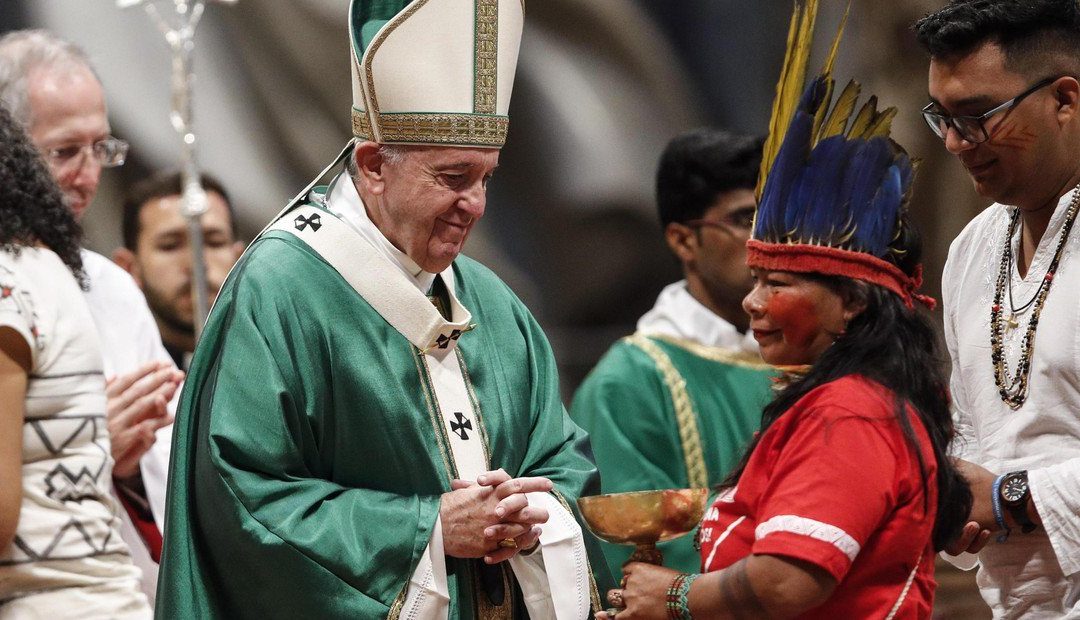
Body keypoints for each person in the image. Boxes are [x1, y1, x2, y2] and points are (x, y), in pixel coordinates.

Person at [158, 1, 610, 618]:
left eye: (486, 178)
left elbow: (561, 455)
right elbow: (244, 495)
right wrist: (428, 529)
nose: (475, 205)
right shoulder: (279, 289)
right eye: (453, 177)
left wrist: (537, 512)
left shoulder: (491, 300)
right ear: (373, 165)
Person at [600, 3, 972, 617]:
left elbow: (783, 587)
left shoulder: (850, 414)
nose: (753, 301)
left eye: (777, 283)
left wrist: (673, 594)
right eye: (755, 279)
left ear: (852, 302)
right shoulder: (847, 401)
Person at [0, 30, 184, 606]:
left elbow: (173, 468)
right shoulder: (19, 282)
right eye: (63, 151)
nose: (87, 176)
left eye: (100, 148)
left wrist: (125, 467)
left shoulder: (109, 288)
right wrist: (86, 442)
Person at [914, 1, 1080, 615]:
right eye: (942, 118)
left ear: (1065, 99)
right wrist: (956, 503)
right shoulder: (973, 248)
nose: (957, 143)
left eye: (978, 116)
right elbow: (978, 430)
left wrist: (1010, 497)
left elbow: (1004, 488)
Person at [571, 128, 774, 577]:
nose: (767, 239)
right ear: (683, 240)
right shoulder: (630, 382)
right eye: (744, 219)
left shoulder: (808, 357)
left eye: (774, 216)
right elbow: (635, 559)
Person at [113, 171, 244, 370]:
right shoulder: (112, 370)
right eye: (170, 245)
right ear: (129, 267)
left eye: (214, 242)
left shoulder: (280, 360)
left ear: (240, 258)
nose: (196, 264)